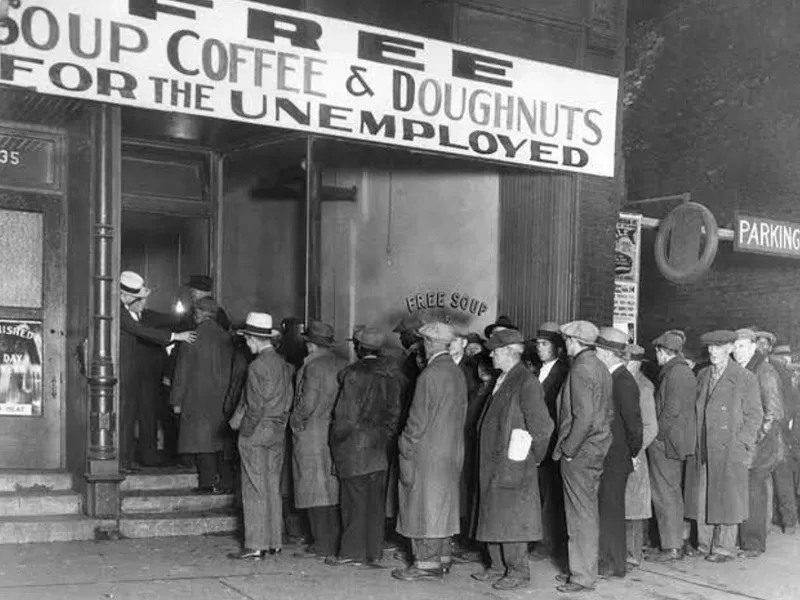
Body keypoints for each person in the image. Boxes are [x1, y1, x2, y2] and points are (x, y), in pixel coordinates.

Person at [470, 329, 553, 591]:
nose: (491, 353)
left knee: (513, 518)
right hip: (495, 462)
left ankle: (518, 571)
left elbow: (542, 427)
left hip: (512, 462)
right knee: (493, 514)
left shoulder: (526, 382)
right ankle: (497, 566)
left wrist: (532, 458)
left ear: (508, 352)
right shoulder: (503, 378)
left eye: (495, 349)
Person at [393, 323, 467, 582]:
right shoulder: (456, 373)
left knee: (422, 506)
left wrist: (404, 443)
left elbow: (416, 421)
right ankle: (443, 558)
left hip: (427, 452)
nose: (422, 346)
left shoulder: (429, 375)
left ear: (431, 343)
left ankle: (426, 564)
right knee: (443, 505)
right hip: (451, 450)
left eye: (424, 341)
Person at [684, 330, 762, 563]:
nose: (713, 352)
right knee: (704, 496)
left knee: (729, 498)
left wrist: (741, 444)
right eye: (710, 348)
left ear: (730, 348)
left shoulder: (744, 377)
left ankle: (724, 548)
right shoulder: (704, 374)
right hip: (705, 446)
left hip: (729, 449)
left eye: (718, 348)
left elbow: (755, 415)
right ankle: (704, 543)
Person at [328, 328, 401, 567]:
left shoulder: (353, 374)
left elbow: (345, 417)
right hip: (380, 446)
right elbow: (394, 414)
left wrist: (336, 441)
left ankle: (351, 552)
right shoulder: (392, 375)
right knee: (375, 502)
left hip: (354, 446)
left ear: (359, 348)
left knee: (353, 502)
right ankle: (374, 551)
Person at [552, 321, 612, 594]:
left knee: (579, 514)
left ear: (574, 341)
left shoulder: (580, 368)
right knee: (586, 511)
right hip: (597, 447)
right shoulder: (600, 366)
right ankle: (585, 569)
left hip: (580, 450)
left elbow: (583, 416)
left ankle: (582, 576)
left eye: (566, 340)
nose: (565, 345)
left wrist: (568, 449)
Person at [228, 313, 294, 559]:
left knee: (254, 487)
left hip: (257, 432)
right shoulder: (284, 364)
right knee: (271, 486)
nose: (246, 343)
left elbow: (254, 407)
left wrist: (244, 432)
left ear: (254, 339)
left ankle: (255, 544)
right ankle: (274, 541)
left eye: (247, 338)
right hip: (278, 432)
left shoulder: (256, 366)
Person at [118, 271, 195, 472]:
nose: (143, 303)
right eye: (139, 299)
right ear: (126, 296)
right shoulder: (118, 311)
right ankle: (121, 462)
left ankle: (126, 462)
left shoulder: (124, 309)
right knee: (125, 417)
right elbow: (140, 330)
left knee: (133, 416)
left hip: (137, 374)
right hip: (125, 373)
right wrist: (176, 336)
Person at [290, 321, 348, 560]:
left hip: (311, 433)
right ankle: (332, 540)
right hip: (333, 431)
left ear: (311, 345)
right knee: (331, 488)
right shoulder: (342, 364)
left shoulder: (312, 367)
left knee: (313, 488)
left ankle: (321, 543)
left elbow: (307, 403)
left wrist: (294, 420)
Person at [169, 297, 234, 492]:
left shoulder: (192, 337)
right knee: (219, 441)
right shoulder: (226, 337)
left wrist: (176, 400)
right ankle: (225, 482)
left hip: (196, 397)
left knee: (201, 441)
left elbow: (182, 372)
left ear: (198, 313)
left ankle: (207, 482)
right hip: (223, 396)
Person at [594, 328, 643, 580]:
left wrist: (632, 453)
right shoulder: (612, 377)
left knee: (611, 511)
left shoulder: (623, 381)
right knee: (606, 509)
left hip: (617, 457)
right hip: (610, 455)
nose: (595, 354)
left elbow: (634, 424)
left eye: (598, 350)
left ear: (608, 353)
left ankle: (613, 565)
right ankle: (607, 562)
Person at [734, 328, 784, 558]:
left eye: (742, 346)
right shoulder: (743, 369)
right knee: (745, 491)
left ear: (753, 347)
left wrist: (755, 440)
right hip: (748, 443)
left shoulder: (764, 371)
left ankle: (753, 543)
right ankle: (746, 539)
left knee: (754, 492)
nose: (737, 350)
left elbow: (773, 412)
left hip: (760, 446)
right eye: (734, 346)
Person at [647, 329, 697, 562]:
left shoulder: (674, 373)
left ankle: (672, 546)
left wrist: (656, 435)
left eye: (656, 351)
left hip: (666, 443)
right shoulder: (683, 370)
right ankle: (676, 542)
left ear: (662, 351)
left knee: (664, 493)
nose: (655, 356)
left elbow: (671, 411)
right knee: (672, 492)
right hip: (677, 441)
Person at [530, 322, 570, 563]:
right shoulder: (537, 371)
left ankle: (548, 543)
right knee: (539, 493)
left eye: (544, 344)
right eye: (538, 344)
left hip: (552, 442)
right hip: (537, 441)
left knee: (551, 495)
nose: (539, 348)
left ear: (558, 348)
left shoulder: (563, 373)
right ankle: (539, 539)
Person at [755, 333, 798, 535]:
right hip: (774, 427)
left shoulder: (773, 368)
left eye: (764, 344)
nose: (761, 347)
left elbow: (788, 401)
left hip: (777, 429)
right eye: (758, 343)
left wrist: (785, 424)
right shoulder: (765, 367)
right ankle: (780, 521)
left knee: (780, 476)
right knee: (773, 478)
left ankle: (788, 521)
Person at [623, 344, 658, 569]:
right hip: (621, 454)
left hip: (634, 455)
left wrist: (634, 452)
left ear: (636, 363)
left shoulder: (643, 387)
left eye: (626, 360)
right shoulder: (622, 381)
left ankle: (632, 554)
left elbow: (650, 427)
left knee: (633, 508)